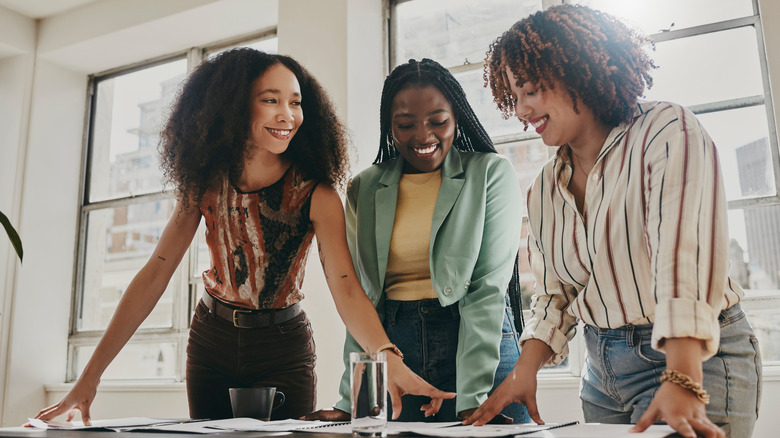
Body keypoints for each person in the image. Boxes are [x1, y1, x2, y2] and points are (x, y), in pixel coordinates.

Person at [34, 48, 453, 424]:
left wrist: (387, 358)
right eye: (270, 100)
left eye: (295, 102)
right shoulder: (204, 184)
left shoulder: (318, 193)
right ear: (233, 107)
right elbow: (155, 274)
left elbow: (345, 287)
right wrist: (88, 380)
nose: (287, 114)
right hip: (211, 341)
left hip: (283, 347)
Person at [463, 5, 761, 438]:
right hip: (602, 376)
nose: (521, 111)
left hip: (696, 358)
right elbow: (554, 295)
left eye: (529, 91)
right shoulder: (545, 187)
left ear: (575, 71)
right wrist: (522, 372)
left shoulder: (666, 131)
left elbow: (685, 263)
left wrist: (682, 377)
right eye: (514, 96)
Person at [305, 58, 529, 423]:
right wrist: (351, 399)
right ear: (389, 127)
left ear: (456, 117)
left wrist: (471, 396)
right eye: (405, 125)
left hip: (478, 348)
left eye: (438, 122)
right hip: (396, 353)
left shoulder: (490, 173)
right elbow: (362, 298)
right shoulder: (365, 187)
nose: (423, 136)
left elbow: (487, 289)